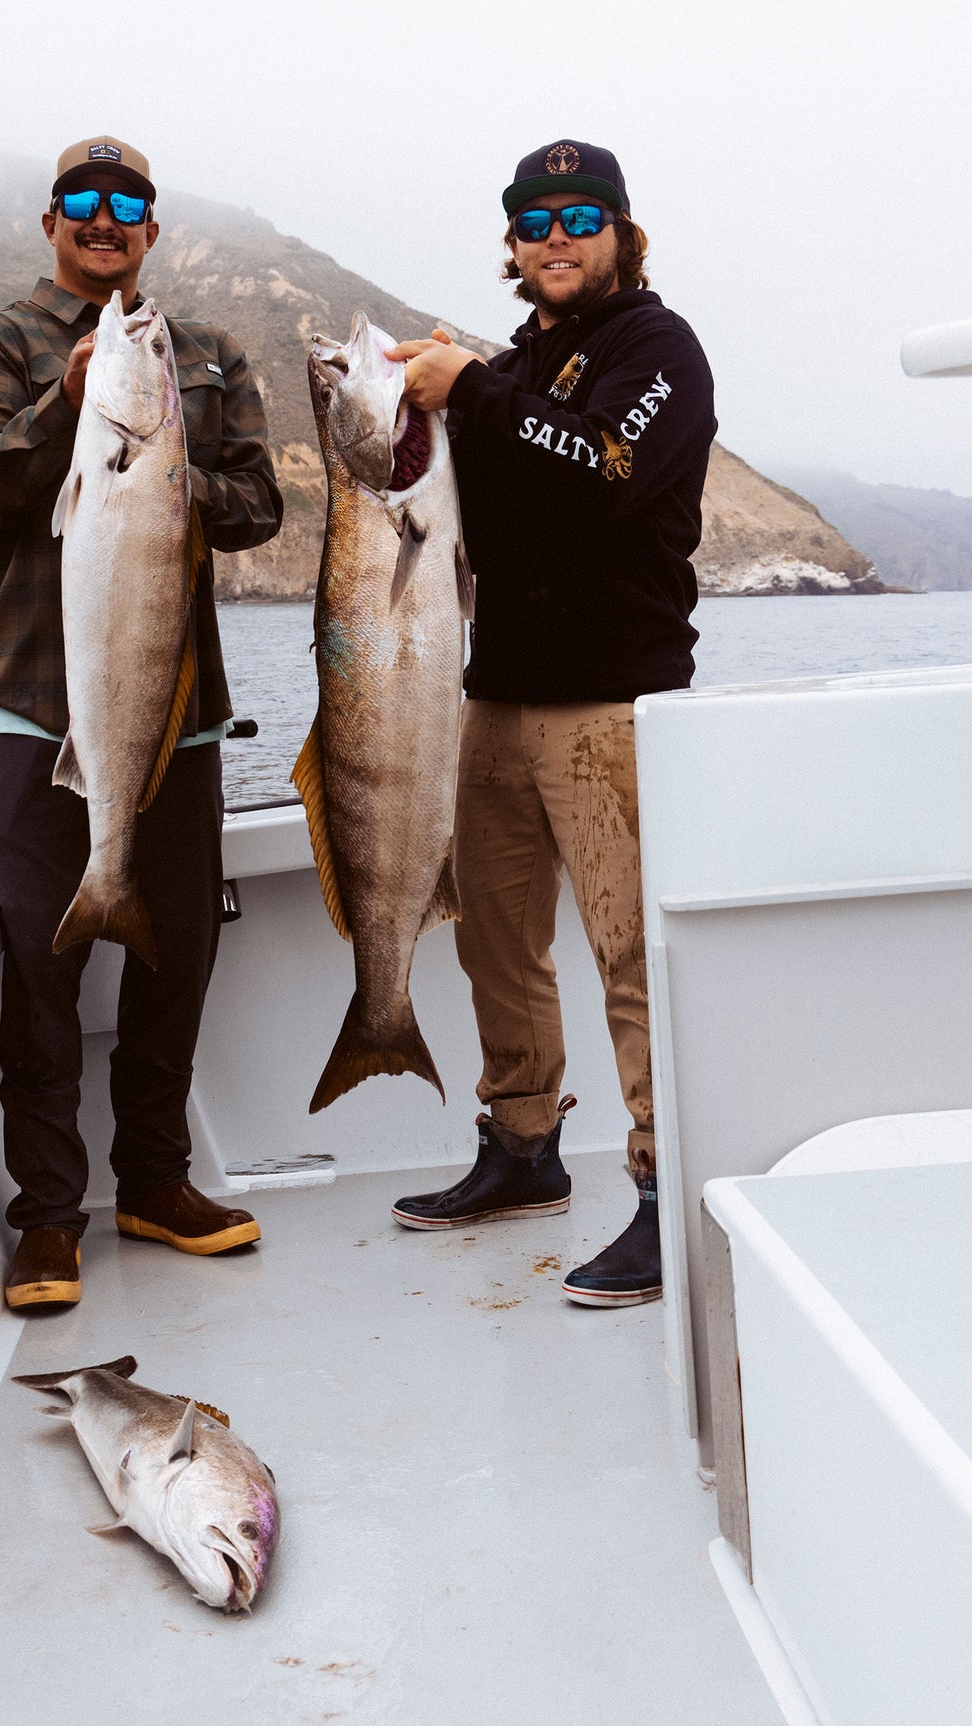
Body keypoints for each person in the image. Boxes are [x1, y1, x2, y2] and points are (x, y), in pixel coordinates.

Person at [0, 137, 282, 1310]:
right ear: (50, 223)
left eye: (125, 203)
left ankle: (154, 1183)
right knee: (41, 958)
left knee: (175, 949)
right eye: (81, 202)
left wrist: (167, 467)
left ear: (150, 229)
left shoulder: (210, 354)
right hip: (27, 706)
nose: (103, 218)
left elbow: (257, 507)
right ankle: (47, 1220)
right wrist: (68, 400)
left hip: (170, 710)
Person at [384, 139, 716, 1307]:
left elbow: (608, 464)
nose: (556, 235)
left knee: (630, 957)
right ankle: (521, 1146)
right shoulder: (521, 359)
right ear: (513, 247)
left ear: (623, 231)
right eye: (533, 221)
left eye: (581, 216)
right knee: (494, 937)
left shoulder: (655, 349)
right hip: (493, 698)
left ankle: (662, 1189)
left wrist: (469, 389)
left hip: (608, 707)